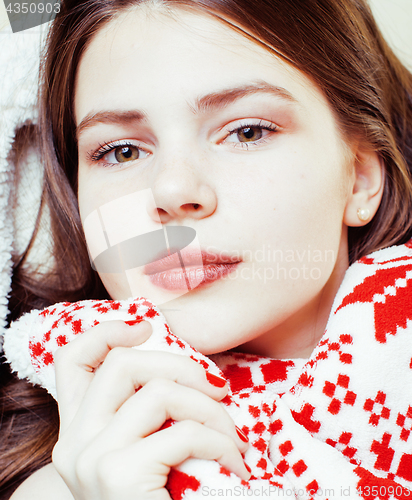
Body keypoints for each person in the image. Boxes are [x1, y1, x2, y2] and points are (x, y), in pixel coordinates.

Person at [2, 0, 412, 498]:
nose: (173, 191)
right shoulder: (67, 486)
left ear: (361, 178)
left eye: (247, 131)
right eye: (121, 151)